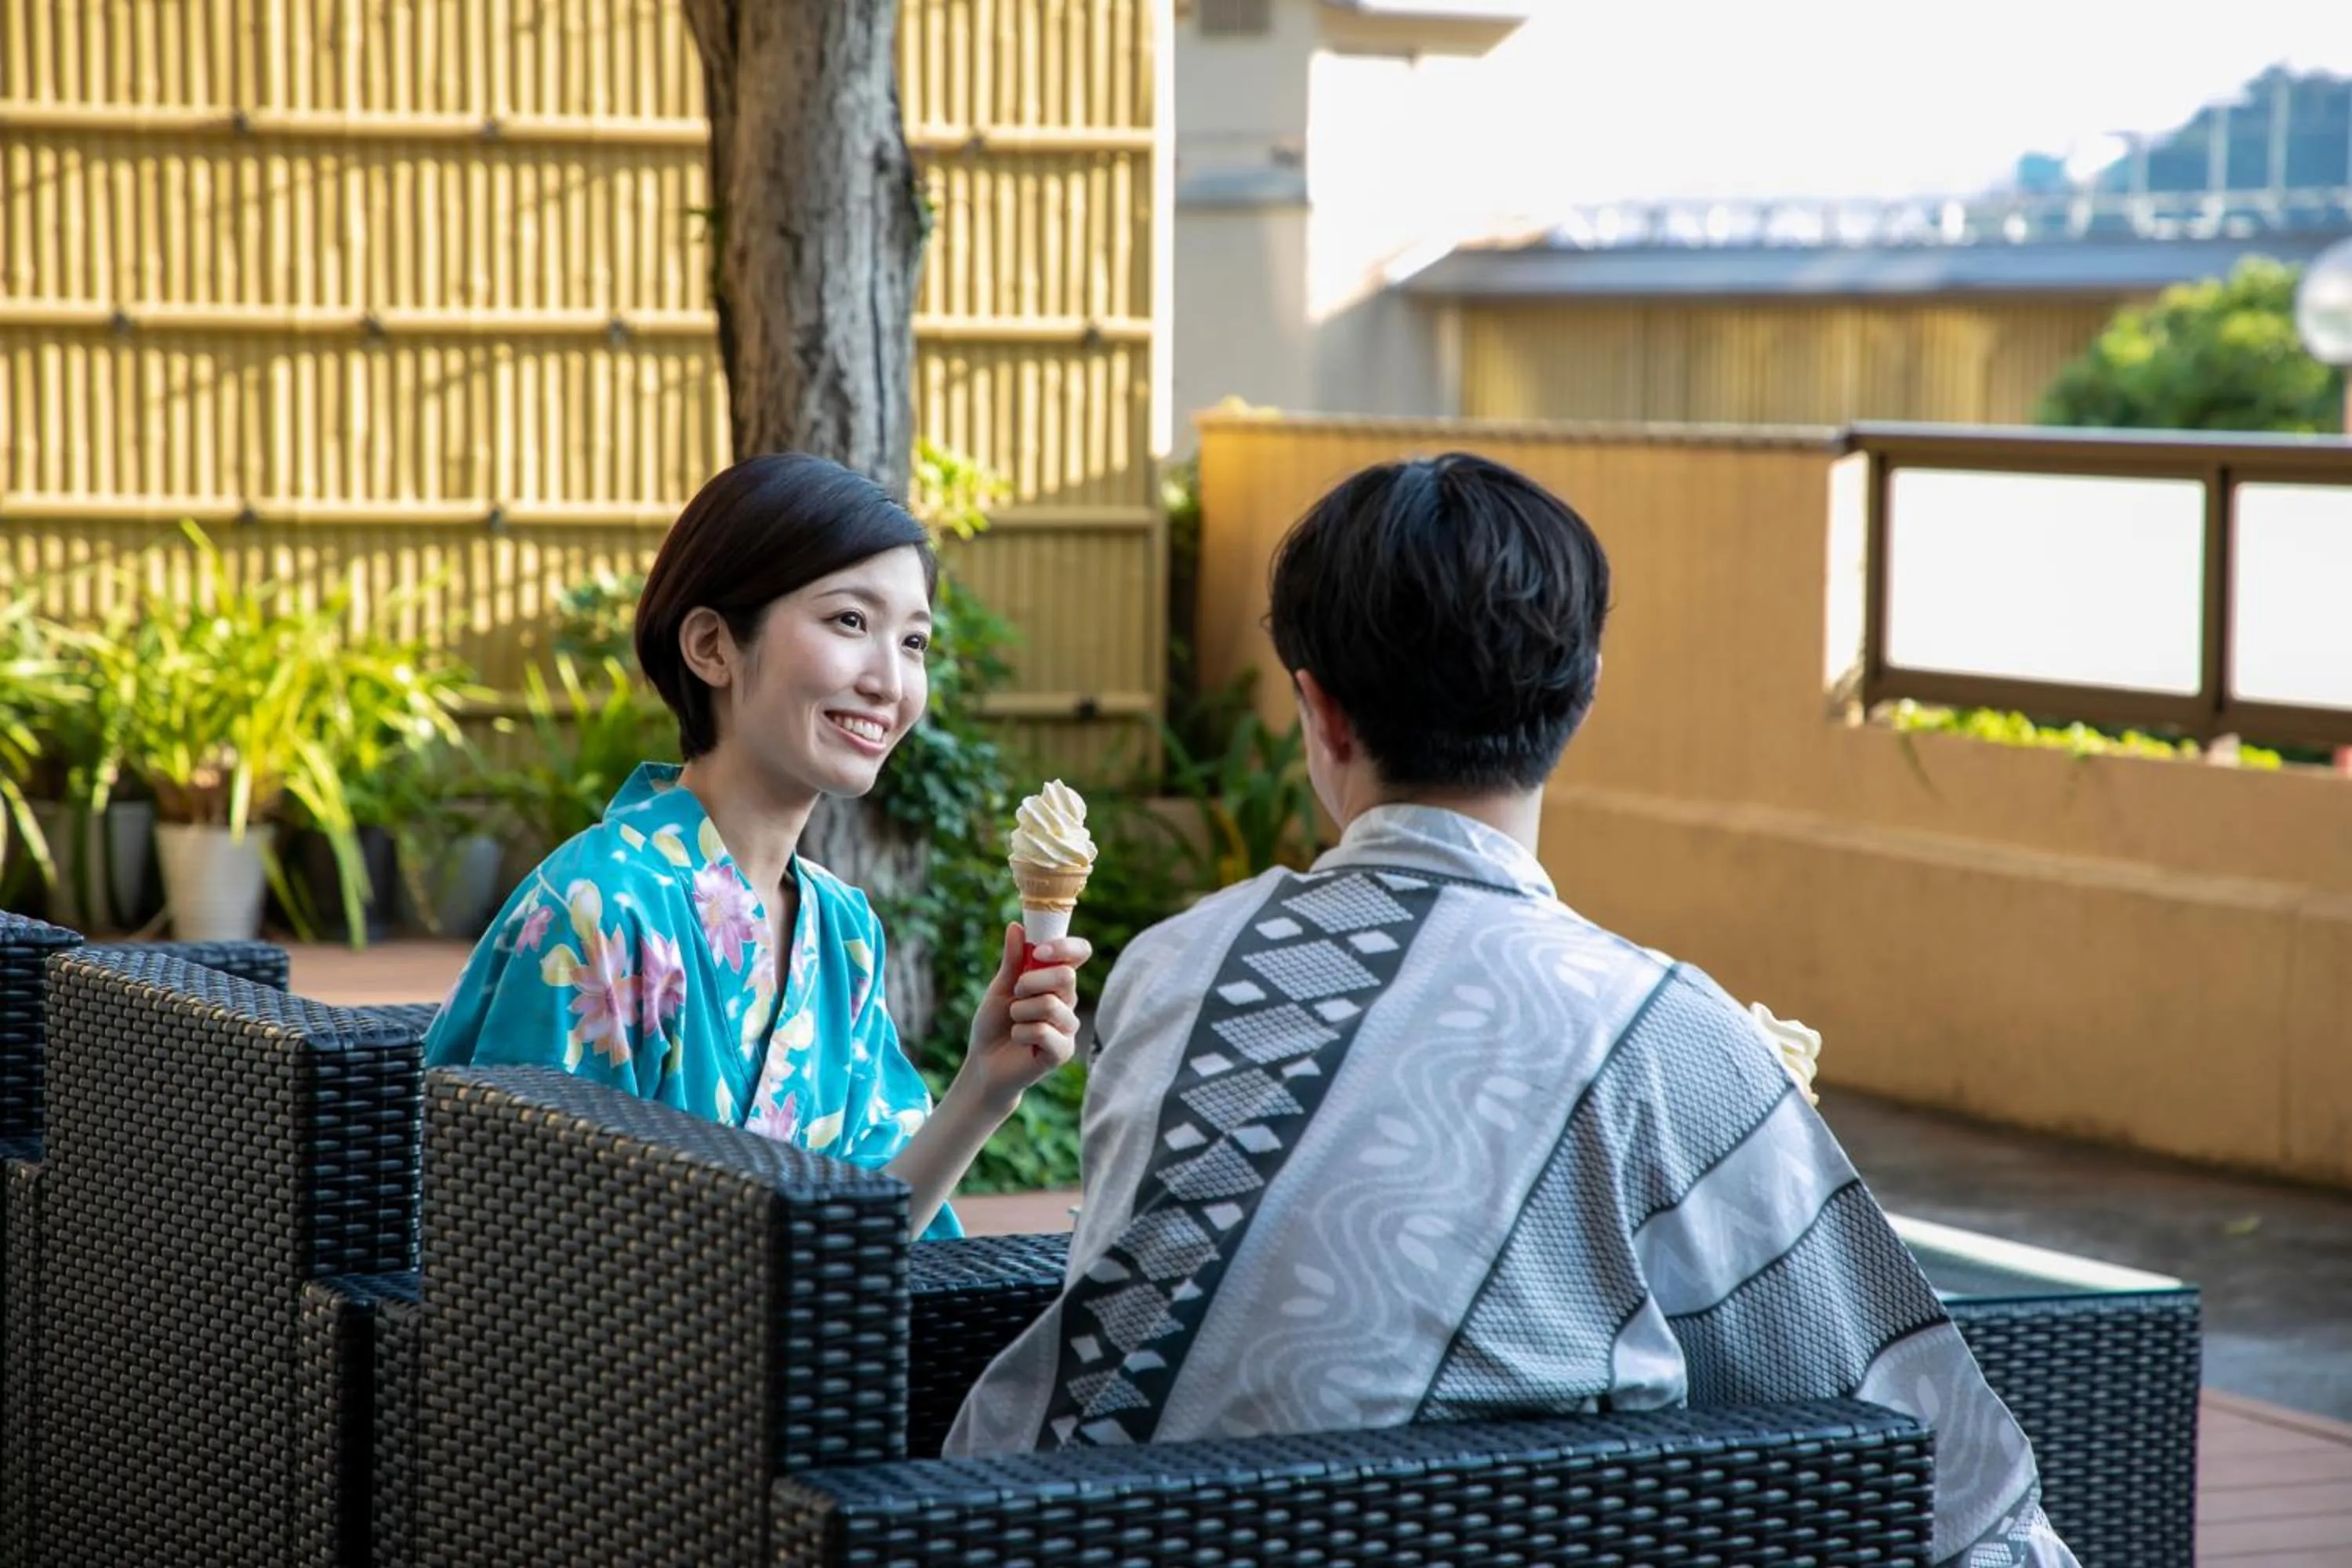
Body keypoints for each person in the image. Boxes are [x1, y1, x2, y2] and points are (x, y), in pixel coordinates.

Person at [945, 453, 2077, 1566]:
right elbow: (1926, 1461)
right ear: (1582, 694)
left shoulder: (1168, 967)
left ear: (1319, 712)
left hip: (1040, 1526)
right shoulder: (1667, 1035)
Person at [423, 453, 1091, 1240]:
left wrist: (984, 1086)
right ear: (711, 646)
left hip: (789, 1359)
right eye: (850, 620)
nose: (889, 679)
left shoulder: (842, 930)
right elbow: (501, 1249)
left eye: (913, 641)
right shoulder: (600, 908)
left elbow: (861, 1239)